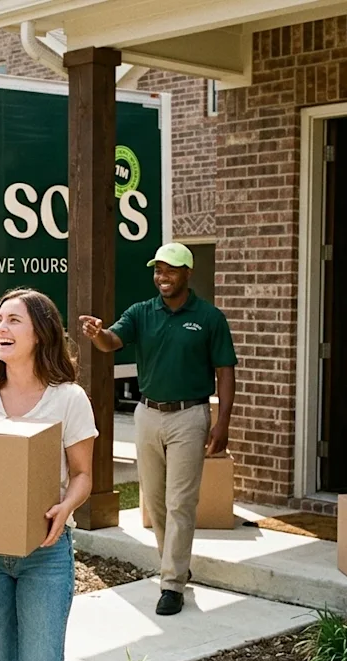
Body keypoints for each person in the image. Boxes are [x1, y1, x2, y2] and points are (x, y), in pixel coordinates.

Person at [78, 242, 236, 616]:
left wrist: (223, 422)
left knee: (182, 501)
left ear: (187, 273)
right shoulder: (141, 313)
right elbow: (111, 342)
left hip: (189, 416)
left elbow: (225, 372)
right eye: (158, 271)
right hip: (147, 415)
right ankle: (176, 563)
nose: (162, 277)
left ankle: (171, 584)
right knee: (156, 500)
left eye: (170, 270)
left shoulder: (210, 318)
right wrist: (98, 333)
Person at [0, 287, 98, 661]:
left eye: (14, 320)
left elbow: (84, 474)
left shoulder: (68, 399)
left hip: (44, 552)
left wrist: (67, 505)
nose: (1, 327)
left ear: (41, 333)